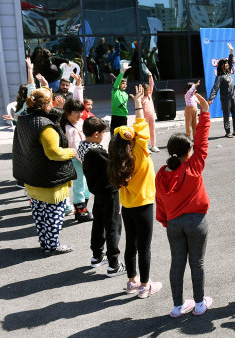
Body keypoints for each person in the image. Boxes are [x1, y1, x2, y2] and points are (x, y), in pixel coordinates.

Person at [156, 92, 212, 317]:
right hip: (196, 220)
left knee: (176, 264)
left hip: (173, 224)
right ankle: (199, 304)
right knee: (196, 262)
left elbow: (159, 202)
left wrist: (165, 221)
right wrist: (205, 113)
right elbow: (202, 141)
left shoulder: (161, 174)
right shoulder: (194, 166)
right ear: (188, 152)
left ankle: (178, 306)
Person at [109, 85, 161, 298]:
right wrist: (138, 104)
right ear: (133, 140)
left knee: (130, 244)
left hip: (127, 206)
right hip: (144, 204)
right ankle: (145, 286)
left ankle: (132, 281)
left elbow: (138, 129)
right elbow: (142, 126)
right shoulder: (140, 151)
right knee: (144, 248)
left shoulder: (115, 160)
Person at [12, 88, 77, 253]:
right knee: (54, 216)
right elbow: (54, 153)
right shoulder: (45, 126)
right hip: (49, 180)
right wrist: (71, 152)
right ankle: (53, 245)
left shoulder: (24, 119)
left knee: (40, 216)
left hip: (32, 177)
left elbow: (53, 114)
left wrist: (55, 107)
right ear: (46, 104)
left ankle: (46, 243)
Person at [80, 116, 126, 277]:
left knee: (99, 223)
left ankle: (97, 255)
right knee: (113, 225)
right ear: (96, 134)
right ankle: (114, 263)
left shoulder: (83, 146)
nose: (104, 136)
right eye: (103, 133)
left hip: (97, 190)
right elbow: (113, 165)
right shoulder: (96, 151)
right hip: (109, 191)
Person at [60, 94, 93, 222]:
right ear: (68, 113)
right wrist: (86, 161)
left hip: (83, 158)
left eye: (81, 111)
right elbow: (75, 147)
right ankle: (81, 212)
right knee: (79, 185)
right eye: (76, 112)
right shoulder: (69, 128)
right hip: (76, 159)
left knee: (85, 186)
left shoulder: (79, 122)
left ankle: (83, 209)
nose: (80, 114)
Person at [208, 43, 235, 138]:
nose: (227, 64)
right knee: (226, 115)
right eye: (225, 63)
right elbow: (215, 88)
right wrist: (211, 98)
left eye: (227, 63)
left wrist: (232, 51)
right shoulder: (220, 76)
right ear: (221, 66)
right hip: (225, 98)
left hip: (233, 96)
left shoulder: (229, 72)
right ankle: (228, 132)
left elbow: (231, 61)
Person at [111, 61, 131, 134]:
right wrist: (122, 71)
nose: (124, 85)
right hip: (116, 116)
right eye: (122, 83)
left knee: (123, 135)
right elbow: (118, 80)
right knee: (114, 135)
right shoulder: (115, 91)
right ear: (118, 84)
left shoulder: (126, 94)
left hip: (124, 117)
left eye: (126, 84)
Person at [142, 71, 159, 152]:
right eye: (146, 90)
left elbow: (151, 85)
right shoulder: (141, 98)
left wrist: (150, 76)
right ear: (143, 91)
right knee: (145, 132)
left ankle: (153, 145)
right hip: (144, 117)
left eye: (149, 90)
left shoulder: (149, 95)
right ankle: (145, 146)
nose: (148, 91)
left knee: (152, 131)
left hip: (151, 115)